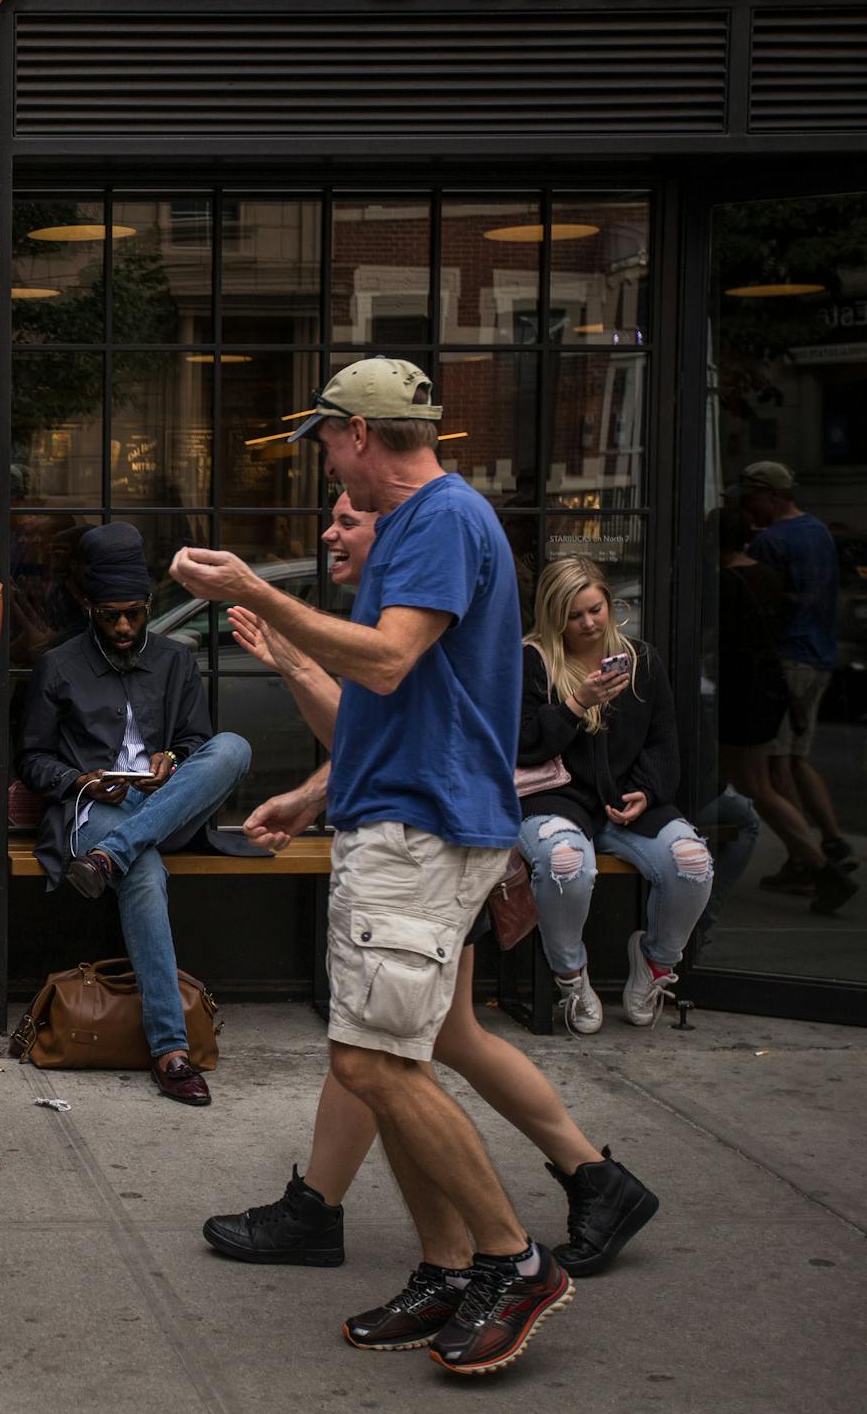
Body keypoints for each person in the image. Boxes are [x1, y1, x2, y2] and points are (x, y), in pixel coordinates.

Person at [170, 358, 573, 1376]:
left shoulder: (439, 518)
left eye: (325, 441)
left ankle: (514, 1260)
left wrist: (255, 590)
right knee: (393, 1062)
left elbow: (388, 660)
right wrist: (317, 792)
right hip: (403, 816)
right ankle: (447, 1268)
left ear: (357, 432)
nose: (323, 466)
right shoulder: (425, 522)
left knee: (373, 1066)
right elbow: (407, 701)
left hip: (423, 831)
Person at [205, 493, 658, 1282]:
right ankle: (592, 1178)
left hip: (435, 847)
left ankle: (475, 1247)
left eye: (348, 520)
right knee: (427, 1037)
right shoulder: (395, 616)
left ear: (393, 532)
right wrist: (310, 785)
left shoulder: (414, 622)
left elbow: (381, 737)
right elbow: (372, 741)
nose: (330, 531)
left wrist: (297, 662)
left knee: (380, 1042)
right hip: (441, 838)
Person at [16, 521, 251, 1107]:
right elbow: (33, 759)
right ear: (89, 609)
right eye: (110, 616)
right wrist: (80, 779)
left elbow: (198, 742)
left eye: (135, 614)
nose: (124, 627)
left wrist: (175, 759)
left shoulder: (175, 661)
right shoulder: (59, 665)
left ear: (148, 606)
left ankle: (110, 857)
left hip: (163, 807)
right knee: (142, 871)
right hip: (95, 809)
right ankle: (171, 1051)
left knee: (234, 747)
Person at [518, 556, 713, 1031]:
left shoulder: (641, 661)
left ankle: (656, 963)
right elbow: (521, 744)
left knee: (693, 863)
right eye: (573, 615)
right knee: (565, 863)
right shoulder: (531, 661)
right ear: (553, 616)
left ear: (610, 604)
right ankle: (570, 974)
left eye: (595, 609)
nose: (588, 623)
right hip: (555, 797)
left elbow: (663, 743)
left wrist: (647, 791)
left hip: (627, 798)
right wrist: (577, 703)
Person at [714, 503, 851, 911]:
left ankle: (821, 866)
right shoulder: (766, 577)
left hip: (743, 693)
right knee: (752, 782)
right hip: (767, 689)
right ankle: (819, 861)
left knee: (756, 786)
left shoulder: (726, 583)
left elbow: (720, 641)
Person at [741, 462, 856, 896]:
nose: (748, 506)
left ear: (771, 495)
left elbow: (765, 604)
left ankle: (806, 859)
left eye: (751, 496)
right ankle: (833, 840)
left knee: (774, 767)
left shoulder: (770, 541)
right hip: (819, 655)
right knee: (796, 758)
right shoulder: (818, 531)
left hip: (788, 657)